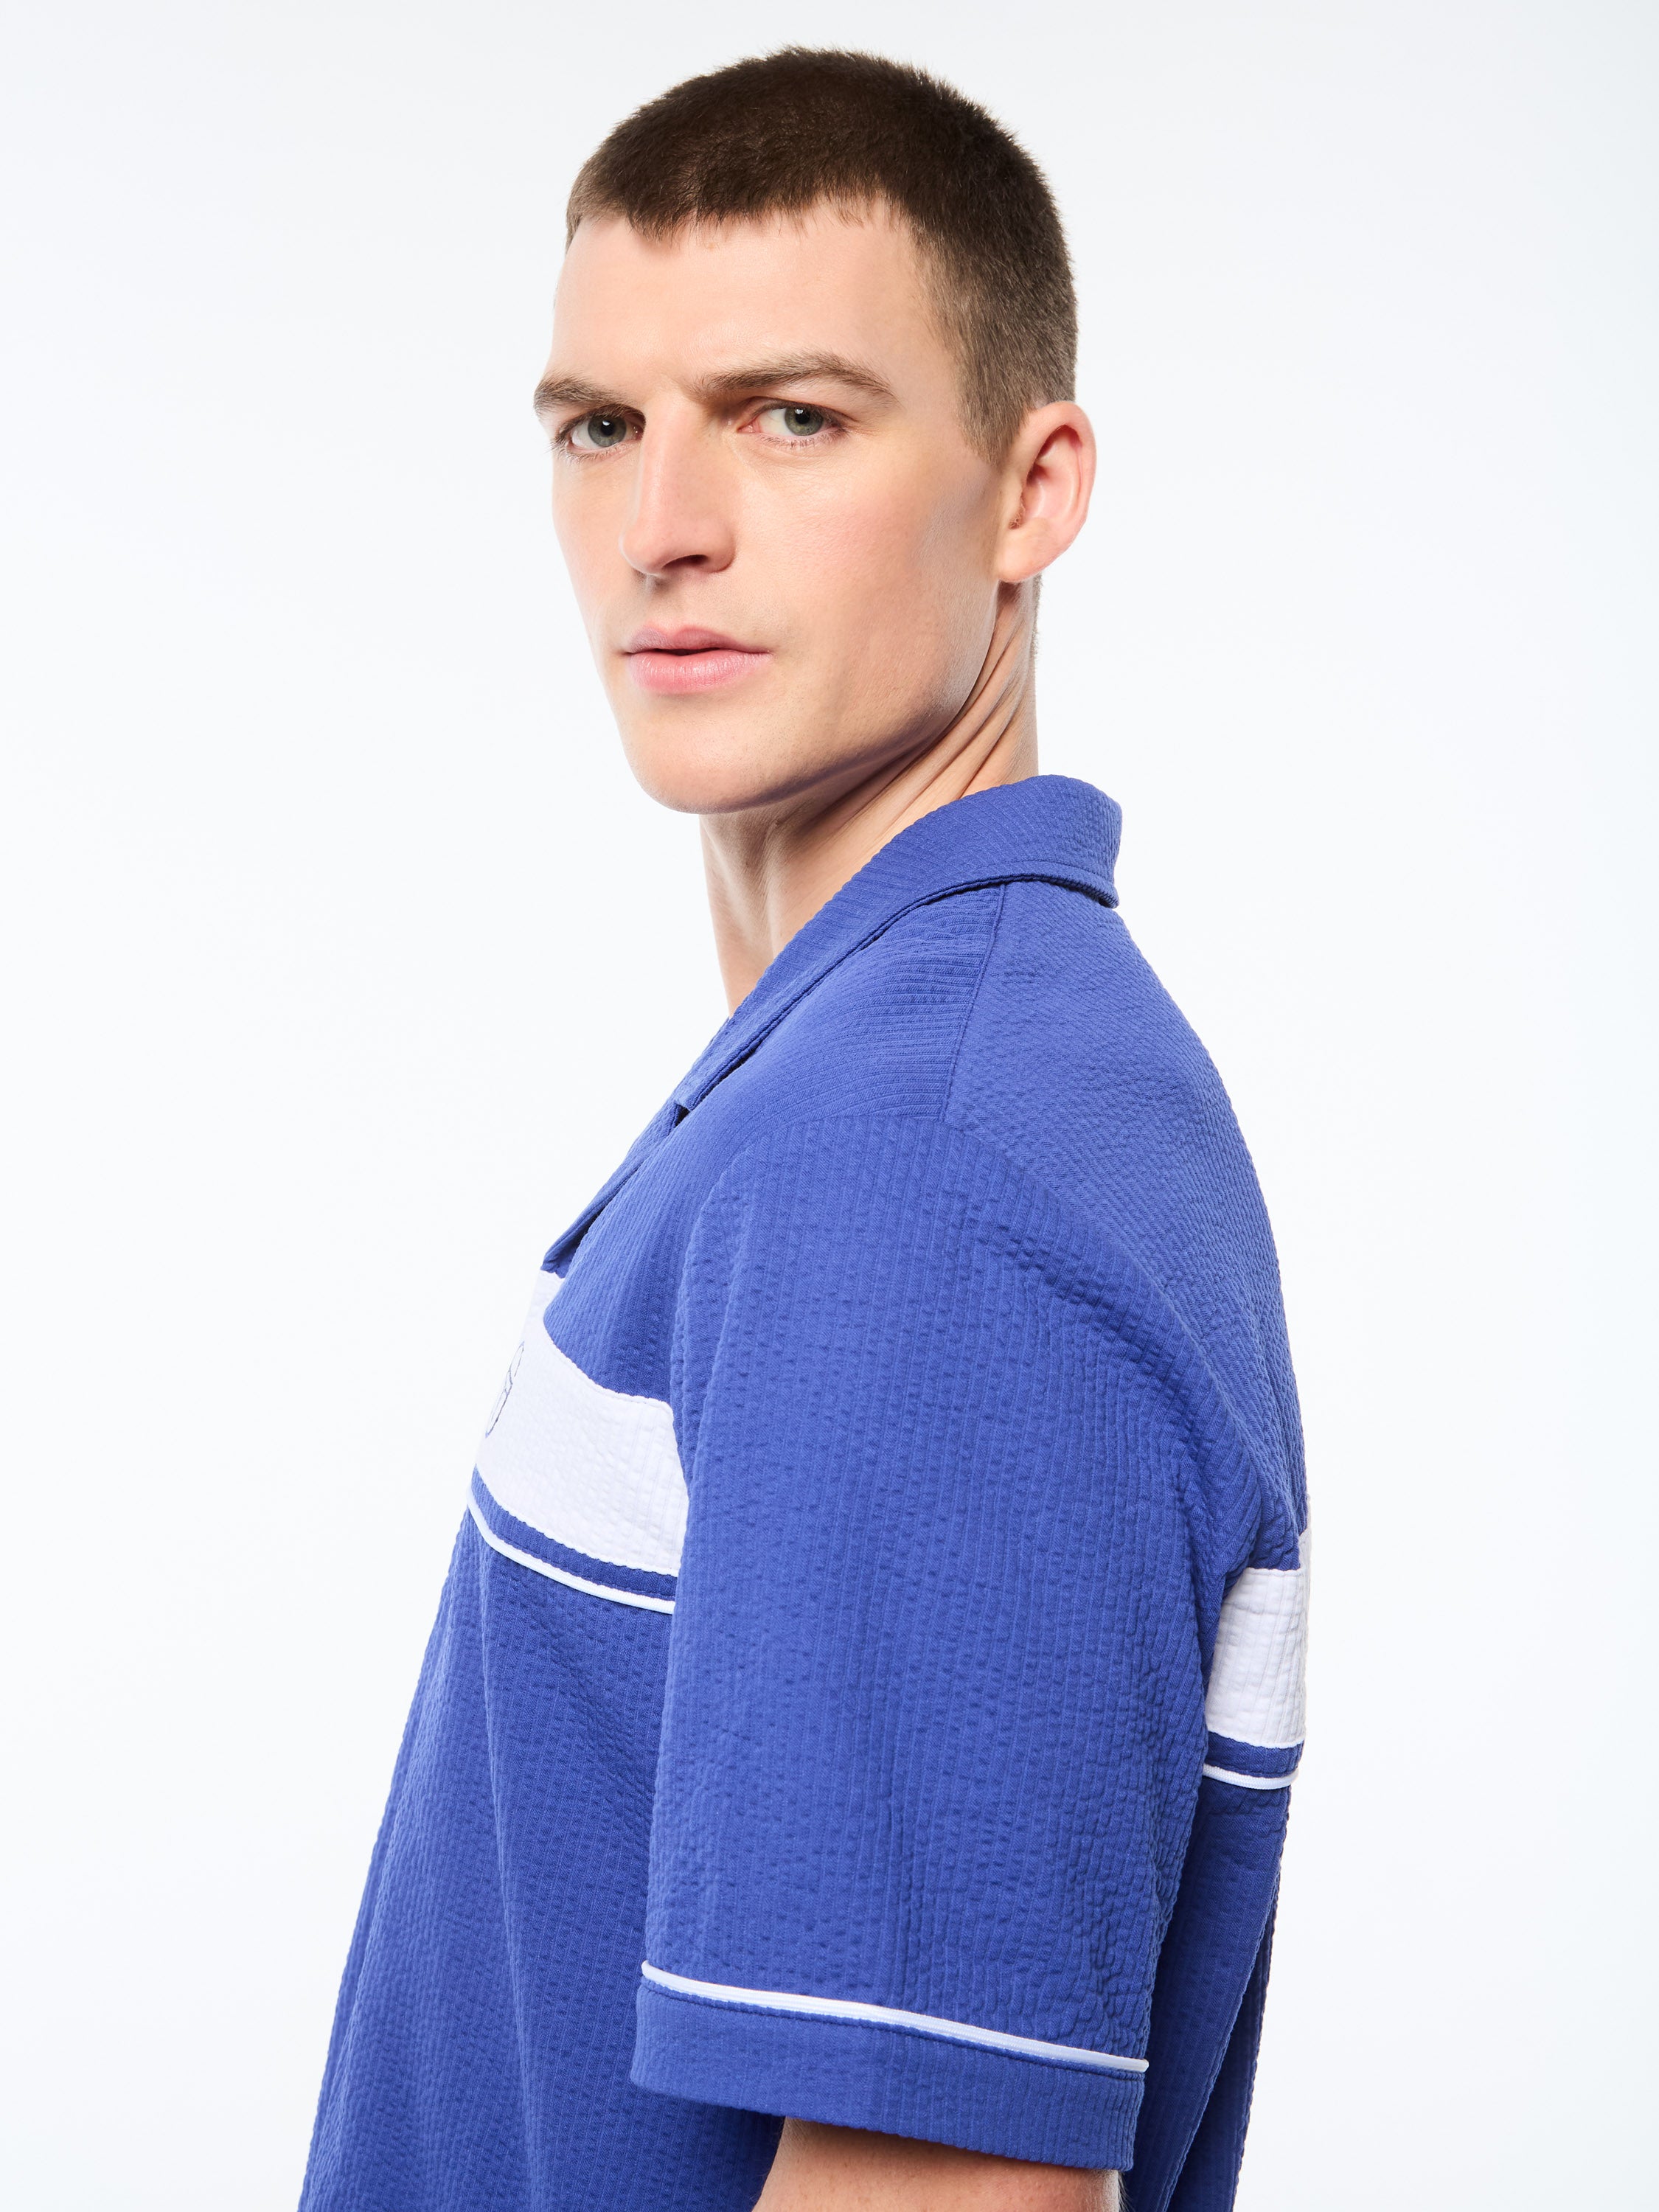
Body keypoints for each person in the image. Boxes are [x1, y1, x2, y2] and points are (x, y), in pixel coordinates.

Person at [297, 47, 1310, 2212]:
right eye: (600, 426)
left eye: (792, 418)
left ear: (1031, 490)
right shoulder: (883, 1083)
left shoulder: (921, 1179)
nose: (662, 526)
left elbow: (949, 2193)